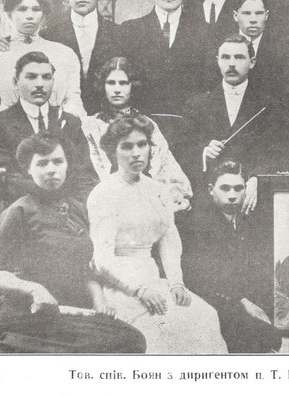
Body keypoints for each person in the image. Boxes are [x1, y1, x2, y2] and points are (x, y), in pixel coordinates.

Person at [0, 132, 145, 353]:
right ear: (28, 169)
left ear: (67, 165)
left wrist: (100, 300)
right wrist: (35, 289)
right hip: (29, 316)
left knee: (132, 340)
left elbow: (87, 267)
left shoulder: (78, 208)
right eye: (42, 163)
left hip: (73, 312)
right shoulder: (19, 210)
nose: (51, 169)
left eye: (58, 161)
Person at [87, 116, 228, 353]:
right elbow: (101, 261)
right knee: (166, 328)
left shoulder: (157, 190)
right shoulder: (104, 194)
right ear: (113, 152)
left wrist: (176, 283)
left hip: (154, 281)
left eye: (142, 144)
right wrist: (139, 290)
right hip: (120, 287)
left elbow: (168, 239)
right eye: (127, 146)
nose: (136, 153)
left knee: (205, 315)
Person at [181, 159, 280, 353]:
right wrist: (242, 302)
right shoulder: (198, 223)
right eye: (225, 188)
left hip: (236, 299)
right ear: (211, 189)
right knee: (266, 337)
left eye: (238, 188)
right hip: (209, 301)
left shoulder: (245, 221)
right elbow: (200, 279)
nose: (233, 195)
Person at [0, 51, 97, 205]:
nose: (39, 84)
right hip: (24, 212)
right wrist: (46, 192)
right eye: (31, 77)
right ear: (16, 82)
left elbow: (86, 175)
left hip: (69, 210)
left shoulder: (70, 122)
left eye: (46, 77)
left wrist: (76, 209)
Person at [80, 56, 192, 211]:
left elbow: (163, 165)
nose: (117, 89)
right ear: (102, 86)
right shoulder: (90, 125)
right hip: (109, 201)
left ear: (132, 86)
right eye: (111, 83)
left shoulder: (146, 124)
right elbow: (96, 167)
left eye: (123, 83)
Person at [181, 34, 273, 202]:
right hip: (208, 196)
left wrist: (257, 178)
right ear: (218, 61)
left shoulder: (268, 105)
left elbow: (276, 150)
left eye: (239, 57)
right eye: (225, 57)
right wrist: (204, 152)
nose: (231, 63)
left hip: (253, 195)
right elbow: (182, 149)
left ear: (252, 62)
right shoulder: (196, 104)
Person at [0, 0, 86, 121]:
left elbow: (73, 99)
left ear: (43, 13)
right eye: (22, 9)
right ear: (9, 14)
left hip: (55, 132)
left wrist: (69, 123)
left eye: (36, 9)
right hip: (9, 132)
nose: (29, 15)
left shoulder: (64, 54)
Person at [119, 0, 212, 114]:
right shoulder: (131, 30)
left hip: (190, 121)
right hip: (144, 120)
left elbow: (208, 82)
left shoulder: (204, 30)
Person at [233, 0, 283, 98]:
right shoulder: (222, 48)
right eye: (247, 13)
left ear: (267, 15)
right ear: (235, 15)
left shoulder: (281, 50)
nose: (253, 20)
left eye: (259, 13)